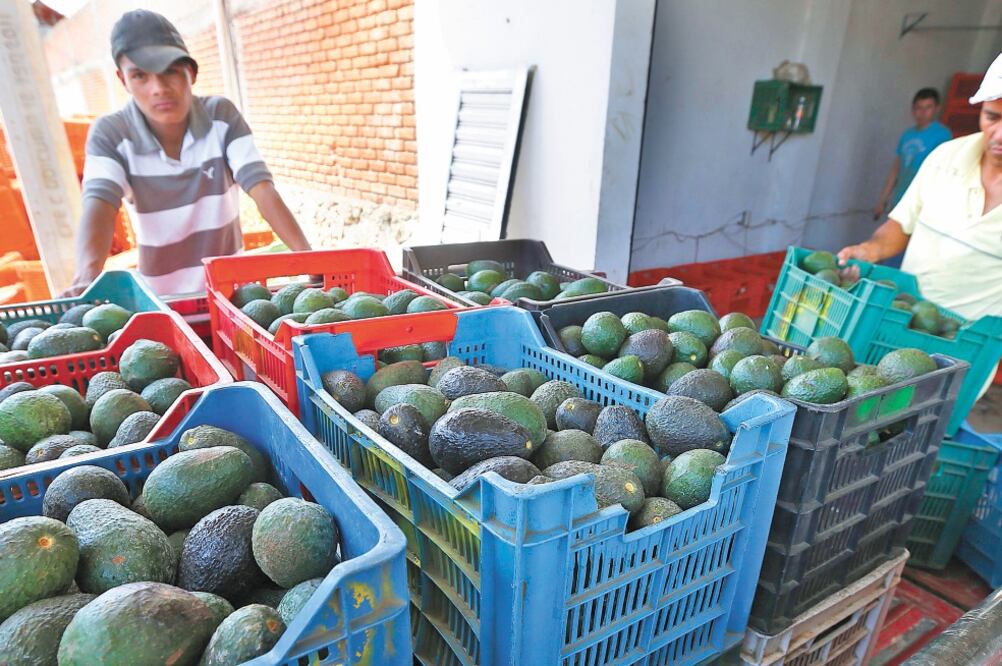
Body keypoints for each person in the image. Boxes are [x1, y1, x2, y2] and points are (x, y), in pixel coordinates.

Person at [63, 9, 311, 297]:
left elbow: (261, 188)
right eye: (140, 75)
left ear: (190, 72)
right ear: (123, 80)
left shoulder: (221, 116)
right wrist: (86, 276)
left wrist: (309, 258)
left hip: (230, 297)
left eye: (169, 71)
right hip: (162, 302)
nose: (159, 88)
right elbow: (99, 206)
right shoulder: (111, 134)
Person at [872, 88, 952, 222]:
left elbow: (943, 171)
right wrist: (883, 199)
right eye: (919, 108)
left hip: (923, 204)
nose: (923, 112)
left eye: (928, 107)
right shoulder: (907, 135)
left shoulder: (943, 135)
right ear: (913, 109)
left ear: (937, 109)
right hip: (900, 199)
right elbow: (896, 169)